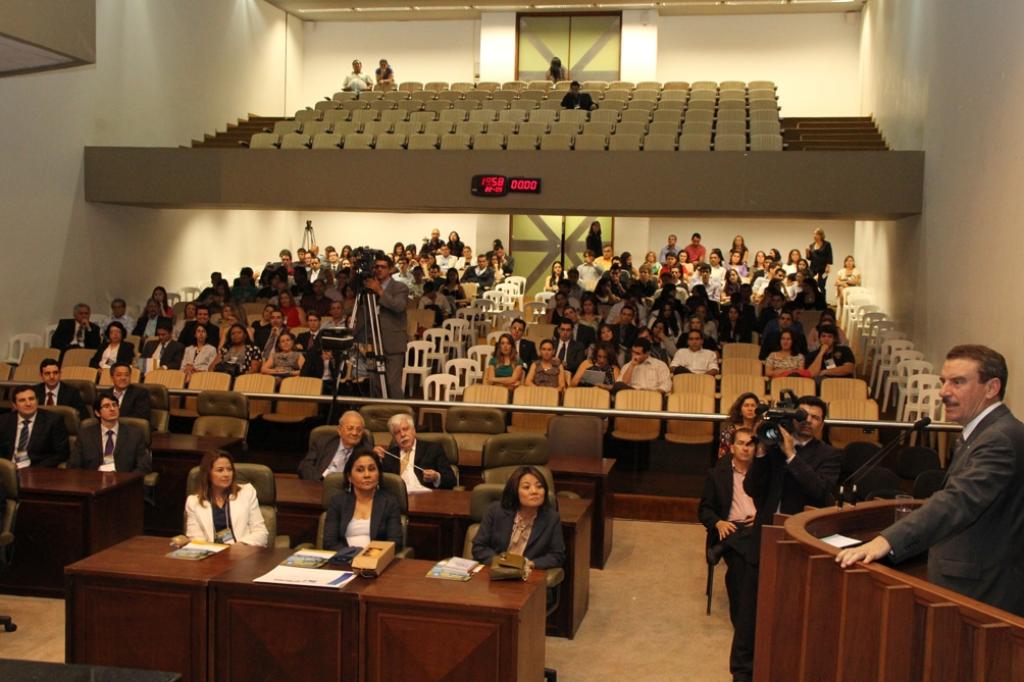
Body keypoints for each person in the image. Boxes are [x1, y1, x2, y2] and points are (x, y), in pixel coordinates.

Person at [836, 345, 1024, 617]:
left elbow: (958, 501)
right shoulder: (986, 433)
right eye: (943, 382)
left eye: (957, 382)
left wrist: (885, 541)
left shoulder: (1000, 439)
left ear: (991, 387)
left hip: (982, 595)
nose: (944, 392)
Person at [737, 396, 841, 681]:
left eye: (815, 418)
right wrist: (760, 452)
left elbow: (820, 491)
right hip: (764, 536)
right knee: (749, 615)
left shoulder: (829, 456)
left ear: (823, 424)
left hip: (800, 541)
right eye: (803, 415)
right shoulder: (771, 447)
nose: (808, 421)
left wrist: (792, 455)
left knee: (790, 612)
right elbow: (751, 487)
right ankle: (743, 673)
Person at [699, 427, 759, 681]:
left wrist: (763, 514)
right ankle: (744, 625)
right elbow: (704, 510)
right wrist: (718, 523)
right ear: (732, 447)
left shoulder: (764, 472)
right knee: (742, 566)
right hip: (730, 527)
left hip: (756, 527)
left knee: (746, 554)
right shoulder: (717, 474)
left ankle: (724, 547)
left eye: (750, 444)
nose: (746, 448)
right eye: (741, 443)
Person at [472, 465, 566, 570]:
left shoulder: (551, 518)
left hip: (527, 575)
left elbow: (557, 555)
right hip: (495, 571)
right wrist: (501, 562)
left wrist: (531, 564)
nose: (534, 491)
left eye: (539, 486)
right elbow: (479, 548)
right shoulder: (495, 511)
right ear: (515, 491)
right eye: (526, 487)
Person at [322, 451, 403, 553]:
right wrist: (353, 555)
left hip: (377, 561)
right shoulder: (337, 502)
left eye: (372, 469)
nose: (367, 475)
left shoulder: (390, 503)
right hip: (343, 560)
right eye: (360, 470)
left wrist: (368, 557)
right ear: (349, 477)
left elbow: (395, 543)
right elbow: (329, 543)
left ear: (378, 474)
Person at [184, 450, 269, 547]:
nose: (226, 474)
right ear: (208, 474)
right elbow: (196, 540)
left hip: (242, 553)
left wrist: (239, 546)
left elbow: (261, 534)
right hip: (212, 557)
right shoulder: (193, 502)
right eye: (220, 470)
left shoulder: (247, 493)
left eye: (229, 469)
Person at [358, 254, 408, 399]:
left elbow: (399, 306)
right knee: (375, 384)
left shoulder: (400, 287)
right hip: (373, 341)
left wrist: (379, 290)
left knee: (392, 384)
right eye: (376, 267)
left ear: (391, 269)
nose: (379, 269)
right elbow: (364, 313)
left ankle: (400, 415)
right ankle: (379, 415)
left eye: (383, 267)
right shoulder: (368, 290)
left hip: (392, 343)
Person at [375, 413, 457, 491]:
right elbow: (379, 483)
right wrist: (374, 459)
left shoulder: (433, 449)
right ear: (393, 437)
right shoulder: (389, 455)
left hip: (427, 498)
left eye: (405, 429)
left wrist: (436, 477)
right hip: (398, 499)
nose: (403, 434)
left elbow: (451, 480)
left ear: (414, 430)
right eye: (397, 432)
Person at [73, 394, 151, 473]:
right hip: (93, 481)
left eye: (114, 405)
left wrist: (126, 479)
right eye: (106, 406)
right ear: (97, 413)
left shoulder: (134, 434)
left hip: (124, 481)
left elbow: (144, 466)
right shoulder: (85, 435)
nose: (112, 409)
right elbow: (74, 465)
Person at [0, 385, 69, 467]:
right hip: (8, 469)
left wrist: (34, 469)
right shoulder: (4, 420)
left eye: (31, 399)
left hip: (37, 469)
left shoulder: (53, 420)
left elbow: (62, 454)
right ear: (14, 405)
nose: (28, 403)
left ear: (37, 401)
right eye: (22, 400)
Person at [298, 411, 370, 481]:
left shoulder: (365, 449)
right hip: (320, 485)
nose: (354, 433)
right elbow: (305, 466)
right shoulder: (323, 442)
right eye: (350, 428)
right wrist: (320, 481)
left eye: (359, 430)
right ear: (339, 430)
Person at [718, 393, 761, 459]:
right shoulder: (730, 430)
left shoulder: (762, 429)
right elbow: (722, 456)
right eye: (746, 405)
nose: (750, 409)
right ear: (740, 411)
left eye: (753, 406)